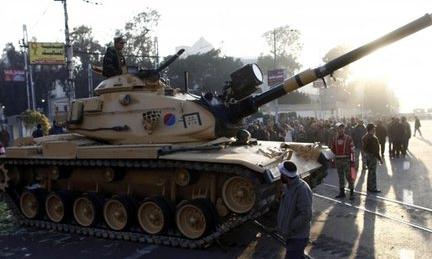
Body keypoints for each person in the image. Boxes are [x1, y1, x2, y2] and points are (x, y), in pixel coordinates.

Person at [277, 161, 312, 259]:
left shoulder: (302, 189)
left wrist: (289, 228)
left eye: (281, 174)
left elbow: (306, 214)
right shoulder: (288, 187)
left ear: (285, 175)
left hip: (298, 237)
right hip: (291, 236)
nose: (280, 176)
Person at [331, 123, 355, 200]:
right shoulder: (334, 139)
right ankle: (342, 192)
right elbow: (332, 150)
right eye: (339, 128)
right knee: (340, 176)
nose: (341, 130)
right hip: (338, 160)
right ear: (337, 129)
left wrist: (352, 161)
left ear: (344, 129)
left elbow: (352, 150)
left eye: (342, 128)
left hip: (346, 160)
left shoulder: (349, 138)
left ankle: (351, 193)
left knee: (349, 176)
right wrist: (332, 160)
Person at [362, 123, 383, 193]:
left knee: (370, 172)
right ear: (371, 129)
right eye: (374, 128)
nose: (375, 129)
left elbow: (364, 148)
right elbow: (375, 150)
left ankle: (369, 187)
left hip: (367, 156)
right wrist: (380, 159)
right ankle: (373, 188)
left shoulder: (365, 136)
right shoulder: (373, 138)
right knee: (373, 173)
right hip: (372, 156)